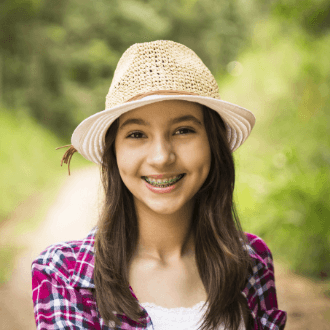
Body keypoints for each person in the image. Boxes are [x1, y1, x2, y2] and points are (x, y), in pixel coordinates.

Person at [31, 40, 287, 330]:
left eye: (183, 130)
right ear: (114, 152)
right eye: (137, 134)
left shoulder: (251, 260)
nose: (162, 157)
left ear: (212, 144)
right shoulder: (63, 273)